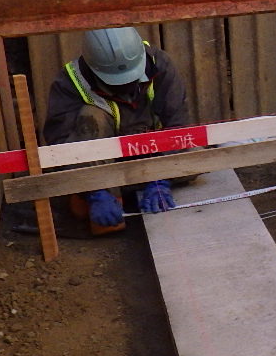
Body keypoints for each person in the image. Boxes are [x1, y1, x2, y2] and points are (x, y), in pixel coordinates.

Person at [43, 26, 191, 233]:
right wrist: (95, 191)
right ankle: (105, 195)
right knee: (91, 116)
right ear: (93, 68)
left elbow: (178, 124)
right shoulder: (69, 81)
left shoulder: (160, 63)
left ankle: (142, 185)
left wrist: (160, 175)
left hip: (152, 154)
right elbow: (61, 142)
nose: (127, 86)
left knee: (199, 158)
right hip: (105, 163)